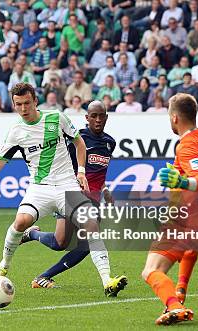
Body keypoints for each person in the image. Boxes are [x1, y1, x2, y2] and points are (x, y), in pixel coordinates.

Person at [0, 83, 124, 297]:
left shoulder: (57, 118)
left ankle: (107, 281)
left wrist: (81, 172)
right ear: (13, 104)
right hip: (39, 188)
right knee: (20, 222)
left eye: (27, 103)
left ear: (35, 101)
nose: (23, 108)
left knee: (90, 225)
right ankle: (4, 265)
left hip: (67, 184)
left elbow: (79, 143)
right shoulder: (16, 132)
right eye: (18, 104)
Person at [144, 93, 198, 325]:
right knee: (189, 248)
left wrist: (183, 183)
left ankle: (174, 307)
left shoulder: (186, 146)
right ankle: (180, 290)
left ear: (174, 118)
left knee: (151, 270)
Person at [23, 100, 126, 288]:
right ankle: (107, 281)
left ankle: (38, 258)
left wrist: (104, 190)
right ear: (86, 118)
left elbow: (98, 172)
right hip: (70, 194)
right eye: (93, 116)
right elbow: (64, 164)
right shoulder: (77, 139)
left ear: (106, 117)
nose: (97, 119)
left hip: (93, 200)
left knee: (65, 243)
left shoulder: (110, 143)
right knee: (79, 241)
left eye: (101, 115)